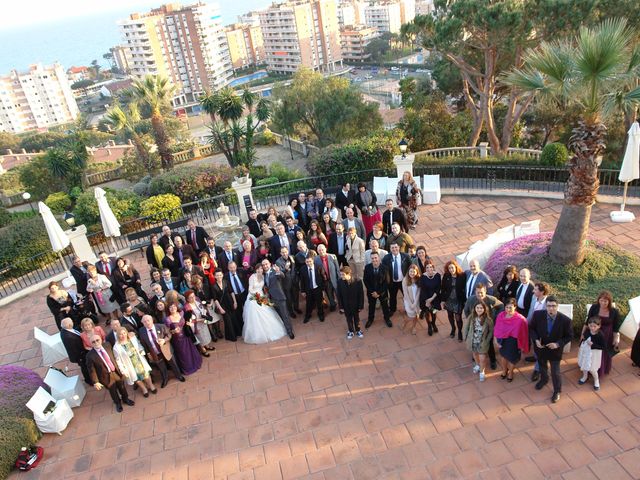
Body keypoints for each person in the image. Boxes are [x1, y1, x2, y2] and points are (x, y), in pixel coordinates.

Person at [529, 295, 572, 403]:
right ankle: (544, 379)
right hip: (541, 348)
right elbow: (531, 328)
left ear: (557, 306)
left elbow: (569, 336)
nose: (551, 308)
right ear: (545, 306)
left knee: (555, 372)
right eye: (549, 306)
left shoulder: (565, 320)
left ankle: (557, 390)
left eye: (553, 306)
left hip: (555, 350)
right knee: (542, 366)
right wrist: (536, 340)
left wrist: (558, 344)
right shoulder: (538, 315)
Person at [86, 334, 135, 412]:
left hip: (116, 371)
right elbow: (91, 370)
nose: (96, 343)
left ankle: (125, 399)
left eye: (97, 340)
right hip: (105, 376)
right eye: (93, 342)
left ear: (101, 339)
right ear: (91, 344)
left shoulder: (108, 345)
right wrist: (95, 382)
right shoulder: (90, 355)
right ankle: (118, 403)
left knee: (122, 386)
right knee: (113, 391)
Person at [242, 265, 288, 344]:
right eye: (258, 269)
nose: (260, 270)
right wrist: (258, 297)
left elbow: (264, 287)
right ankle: (257, 335)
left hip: (262, 296)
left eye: (261, 269)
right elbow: (250, 289)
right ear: (256, 269)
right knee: (255, 315)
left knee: (268, 312)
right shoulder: (252, 277)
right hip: (254, 297)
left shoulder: (263, 277)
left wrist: (265, 295)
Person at [581, 291, 621, 377]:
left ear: (609, 302)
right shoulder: (594, 307)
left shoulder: (614, 312)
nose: (603, 303)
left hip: (607, 335)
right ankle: (589, 368)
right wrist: (582, 333)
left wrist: (615, 339)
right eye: (601, 300)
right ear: (598, 300)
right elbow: (588, 321)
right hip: (593, 333)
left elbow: (616, 327)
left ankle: (600, 370)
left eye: (605, 301)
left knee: (602, 352)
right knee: (591, 351)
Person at [138, 315, 185, 387]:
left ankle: (178, 375)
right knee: (161, 366)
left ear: (152, 320)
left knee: (173, 363)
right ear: (142, 323)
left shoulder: (161, 326)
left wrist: (164, 340)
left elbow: (169, 334)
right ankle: (165, 378)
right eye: (144, 321)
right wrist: (148, 353)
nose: (147, 323)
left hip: (166, 349)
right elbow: (143, 343)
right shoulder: (141, 331)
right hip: (155, 352)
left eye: (148, 320)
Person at [112, 327, 157, 397]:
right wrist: (123, 370)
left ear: (126, 333)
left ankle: (151, 385)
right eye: (120, 334)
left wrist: (141, 350)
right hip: (129, 365)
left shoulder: (132, 339)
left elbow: (139, 345)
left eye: (124, 333)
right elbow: (118, 360)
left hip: (139, 361)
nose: (123, 335)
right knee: (136, 378)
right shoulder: (116, 347)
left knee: (146, 374)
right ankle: (144, 388)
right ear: (118, 336)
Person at [494, 299, 529, 382]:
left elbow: (524, 333)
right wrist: (495, 340)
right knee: (503, 356)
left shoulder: (521, 319)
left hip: (514, 342)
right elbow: (496, 328)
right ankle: (504, 370)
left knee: (512, 358)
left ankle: (510, 373)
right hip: (502, 340)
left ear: (515, 307)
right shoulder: (500, 316)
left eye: (510, 307)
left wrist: (523, 345)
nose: (508, 310)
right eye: (506, 307)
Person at [164, 302, 202, 375]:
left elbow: (188, 320)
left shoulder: (181, 313)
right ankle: (188, 368)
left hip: (186, 335)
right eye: (170, 307)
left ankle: (195, 363)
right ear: (168, 309)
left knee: (190, 350)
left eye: (174, 306)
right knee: (183, 354)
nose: (173, 308)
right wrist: (173, 331)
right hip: (177, 340)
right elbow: (167, 332)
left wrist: (189, 323)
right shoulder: (167, 319)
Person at [261, 259, 295, 339]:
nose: (265, 266)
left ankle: (289, 331)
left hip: (280, 297)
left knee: (285, 315)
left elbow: (282, 275)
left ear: (270, 264)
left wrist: (278, 271)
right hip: (271, 299)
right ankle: (283, 328)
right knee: (278, 315)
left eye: (266, 264)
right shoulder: (264, 275)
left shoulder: (275, 271)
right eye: (263, 265)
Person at [463, 302, 494, 382]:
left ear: (484, 309)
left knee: (482, 359)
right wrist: (465, 337)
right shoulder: (471, 317)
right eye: (477, 308)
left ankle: (482, 371)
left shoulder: (488, 320)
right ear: (475, 309)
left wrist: (487, 340)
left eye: (481, 308)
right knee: (475, 354)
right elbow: (466, 327)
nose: (479, 309)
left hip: (482, 342)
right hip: (472, 341)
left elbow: (491, 331)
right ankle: (477, 365)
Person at [60, 317, 92, 385]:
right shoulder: (69, 337)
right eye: (71, 321)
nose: (72, 321)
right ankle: (89, 380)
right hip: (80, 355)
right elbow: (76, 348)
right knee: (85, 367)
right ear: (69, 325)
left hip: (79, 353)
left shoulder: (65, 330)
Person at [363, 252, 392, 328]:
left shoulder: (385, 268)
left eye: (375, 258)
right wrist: (372, 292)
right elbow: (365, 280)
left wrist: (378, 292)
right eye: (372, 258)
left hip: (382, 292)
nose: (374, 259)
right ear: (370, 259)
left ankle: (387, 319)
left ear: (379, 258)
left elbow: (387, 282)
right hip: (371, 292)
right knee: (371, 306)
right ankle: (370, 319)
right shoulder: (367, 267)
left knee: (385, 306)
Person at [440, 260, 467, 341]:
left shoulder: (462, 275)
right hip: (449, 300)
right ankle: (453, 329)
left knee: (458, 318)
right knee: (450, 316)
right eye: (449, 268)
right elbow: (443, 288)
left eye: (452, 267)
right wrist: (443, 300)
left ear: (456, 267)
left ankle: (459, 332)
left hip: (458, 300)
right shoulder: (446, 275)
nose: (451, 270)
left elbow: (464, 288)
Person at [382, 242, 411, 316]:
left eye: (396, 247)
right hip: (392, 282)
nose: (394, 249)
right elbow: (384, 271)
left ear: (399, 247)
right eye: (392, 248)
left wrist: (409, 278)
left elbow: (410, 267)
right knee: (392, 297)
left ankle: (408, 308)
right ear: (390, 249)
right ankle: (392, 309)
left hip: (403, 281)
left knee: (406, 295)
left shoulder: (405, 256)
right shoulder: (386, 258)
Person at [578, 317, 606, 391]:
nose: (592, 328)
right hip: (586, 351)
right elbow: (584, 337)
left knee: (592, 369)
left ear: (599, 326)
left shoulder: (600, 335)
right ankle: (585, 376)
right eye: (590, 326)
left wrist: (593, 345)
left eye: (594, 326)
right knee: (584, 365)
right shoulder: (587, 331)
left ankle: (596, 380)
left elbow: (603, 347)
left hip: (595, 353)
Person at [211, 270, 240, 342]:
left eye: (220, 275)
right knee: (227, 320)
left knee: (233, 318)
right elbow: (215, 299)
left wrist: (235, 302)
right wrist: (220, 308)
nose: (219, 276)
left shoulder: (226, 282)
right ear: (215, 276)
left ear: (222, 275)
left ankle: (237, 333)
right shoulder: (213, 286)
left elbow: (231, 292)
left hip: (230, 302)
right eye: (217, 275)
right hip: (222, 305)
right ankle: (231, 336)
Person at [337, 266, 364, 339]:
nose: (341, 276)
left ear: (348, 274)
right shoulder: (339, 282)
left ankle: (358, 330)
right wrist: (341, 307)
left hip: (355, 305)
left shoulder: (357, 281)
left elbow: (361, 295)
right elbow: (339, 296)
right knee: (348, 318)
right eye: (340, 274)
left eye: (343, 274)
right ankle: (351, 331)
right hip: (346, 305)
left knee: (356, 318)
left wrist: (360, 306)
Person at [275, 247, 299, 319]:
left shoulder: (292, 257)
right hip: (286, 282)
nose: (284, 253)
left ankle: (296, 308)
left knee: (296, 296)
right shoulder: (278, 262)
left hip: (294, 280)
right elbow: (280, 273)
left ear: (288, 251)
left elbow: (295, 267)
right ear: (280, 253)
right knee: (289, 298)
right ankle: (291, 312)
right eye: (282, 252)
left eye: (285, 252)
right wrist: (285, 269)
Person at [315, 244, 340, 312]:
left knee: (338, 292)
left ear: (325, 249)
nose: (321, 251)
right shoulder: (316, 259)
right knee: (329, 294)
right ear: (317, 251)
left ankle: (341, 305)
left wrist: (339, 279)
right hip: (325, 280)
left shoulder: (332, 256)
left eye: (322, 249)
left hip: (334, 278)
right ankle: (333, 304)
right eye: (319, 250)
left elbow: (337, 269)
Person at [300, 256, 325, 323]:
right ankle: (308, 315)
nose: (309, 263)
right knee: (308, 303)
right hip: (309, 289)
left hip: (317, 288)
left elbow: (322, 278)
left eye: (310, 261)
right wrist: (303, 291)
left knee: (320, 303)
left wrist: (322, 289)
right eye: (307, 262)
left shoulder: (318, 267)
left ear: (313, 261)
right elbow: (302, 281)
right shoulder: (303, 269)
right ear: (305, 262)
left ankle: (321, 314)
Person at [420, 261, 441, 336]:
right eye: (427, 267)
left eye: (431, 267)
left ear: (433, 267)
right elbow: (423, 290)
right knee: (427, 313)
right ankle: (429, 325)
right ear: (425, 268)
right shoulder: (422, 277)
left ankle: (433, 324)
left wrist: (432, 298)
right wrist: (427, 301)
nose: (429, 269)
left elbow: (438, 288)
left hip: (435, 298)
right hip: (425, 299)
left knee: (434, 313)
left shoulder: (437, 275)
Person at [402, 264, 422, 335]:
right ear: (408, 272)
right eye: (411, 271)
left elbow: (419, 291)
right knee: (410, 315)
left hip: (416, 300)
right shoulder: (405, 280)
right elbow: (405, 293)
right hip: (408, 301)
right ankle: (406, 321)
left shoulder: (418, 279)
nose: (412, 273)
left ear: (417, 272)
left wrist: (415, 302)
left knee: (416, 315)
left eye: (414, 272)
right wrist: (411, 304)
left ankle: (413, 327)